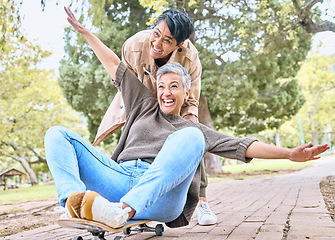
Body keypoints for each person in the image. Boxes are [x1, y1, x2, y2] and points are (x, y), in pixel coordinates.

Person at [44, 7, 329, 230]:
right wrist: (85, 33)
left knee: (194, 134)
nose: (166, 93)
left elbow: (242, 145)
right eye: (161, 87)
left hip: (162, 197)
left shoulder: (189, 129)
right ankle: (71, 202)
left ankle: (124, 211)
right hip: (118, 178)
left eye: (174, 87)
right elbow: (112, 62)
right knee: (57, 134)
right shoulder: (142, 103)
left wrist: (290, 154)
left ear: (186, 91)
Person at [92, 9, 217, 226]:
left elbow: (192, 100)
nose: (157, 43)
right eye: (156, 33)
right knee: (135, 134)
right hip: (142, 96)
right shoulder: (133, 46)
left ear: (179, 45)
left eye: (167, 40)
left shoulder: (190, 58)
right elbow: (123, 78)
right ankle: (132, 193)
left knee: (191, 132)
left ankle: (202, 201)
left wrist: (185, 114)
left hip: (175, 97)